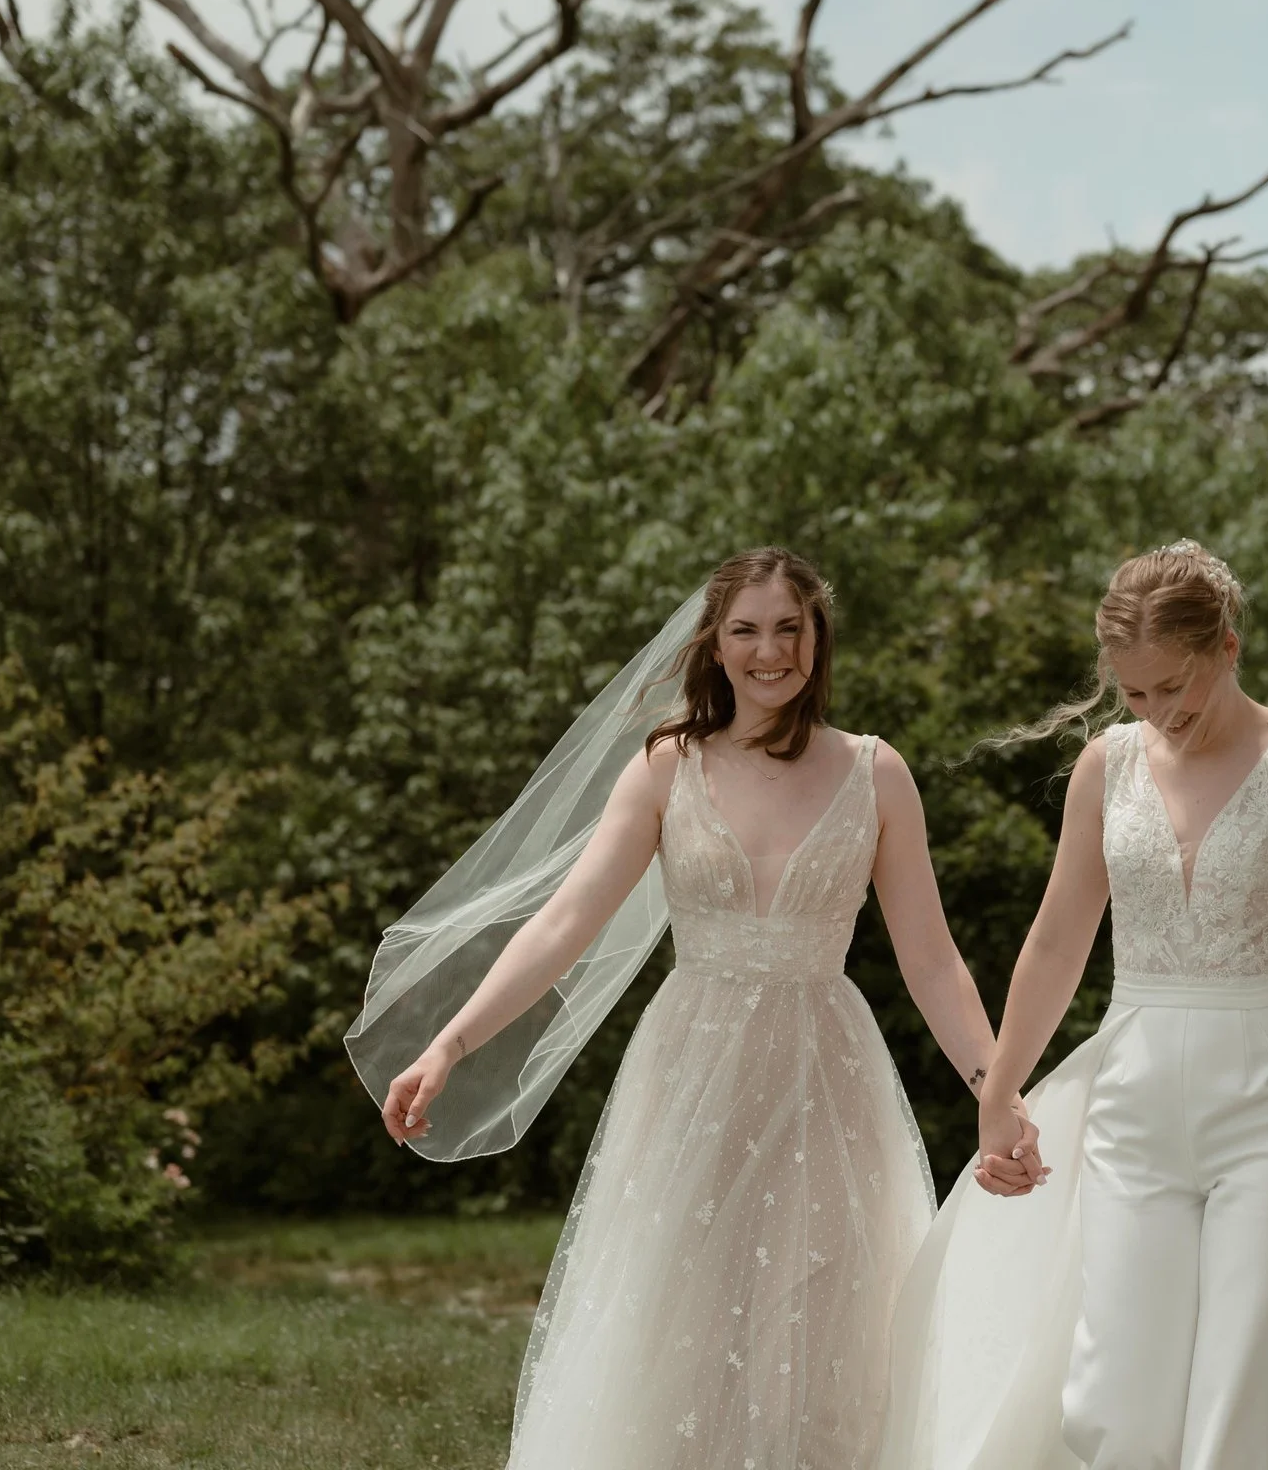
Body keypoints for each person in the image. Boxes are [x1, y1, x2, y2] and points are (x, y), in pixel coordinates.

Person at [354, 548, 1032, 1470]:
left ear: (817, 636)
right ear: (714, 645)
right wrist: (452, 1043)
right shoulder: (667, 767)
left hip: (825, 1081)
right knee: (683, 1324)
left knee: (822, 1327)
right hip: (691, 1077)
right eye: (746, 630)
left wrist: (997, 1092)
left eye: (789, 628)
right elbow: (564, 923)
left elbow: (932, 958)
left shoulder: (875, 773)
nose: (769, 652)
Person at [879, 538, 1268, 1470]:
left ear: (1227, 647)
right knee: (1120, 1396)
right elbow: (1056, 942)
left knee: (1245, 1392)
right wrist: (1001, 1094)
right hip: (1135, 1104)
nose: (1160, 712)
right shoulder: (1108, 768)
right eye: (1137, 693)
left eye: (1176, 688)